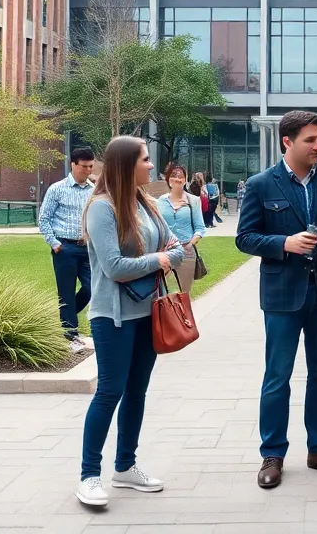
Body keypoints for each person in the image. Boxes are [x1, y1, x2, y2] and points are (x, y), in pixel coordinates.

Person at [235, 110, 317, 489]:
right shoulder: (262, 184)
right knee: (277, 376)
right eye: (310, 139)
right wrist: (284, 244)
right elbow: (245, 238)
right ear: (287, 142)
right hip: (282, 296)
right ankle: (272, 454)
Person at [76, 135, 184, 508]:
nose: (152, 165)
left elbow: (178, 247)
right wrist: (159, 260)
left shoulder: (147, 204)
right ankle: (89, 475)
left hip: (147, 313)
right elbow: (114, 268)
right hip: (114, 317)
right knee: (110, 392)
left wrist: (166, 255)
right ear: (126, 164)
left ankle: (125, 466)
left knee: (137, 391)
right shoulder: (101, 209)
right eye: (145, 159)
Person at [38, 147, 97, 353]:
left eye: (91, 166)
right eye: (84, 166)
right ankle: (70, 334)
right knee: (66, 292)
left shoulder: (93, 190)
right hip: (64, 248)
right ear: (73, 164)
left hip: (87, 248)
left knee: (91, 289)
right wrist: (55, 244)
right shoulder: (57, 189)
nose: (88, 170)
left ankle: (66, 320)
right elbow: (44, 218)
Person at [156, 162, 205, 296]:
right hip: (166, 253)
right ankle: (169, 318)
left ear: (185, 179)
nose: (177, 179)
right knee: (166, 296)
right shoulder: (160, 201)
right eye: (173, 175)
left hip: (186, 252)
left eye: (181, 176)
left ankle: (186, 318)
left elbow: (200, 228)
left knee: (184, 295)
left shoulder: (193, 200)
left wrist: (190, 244)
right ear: (168, 179)